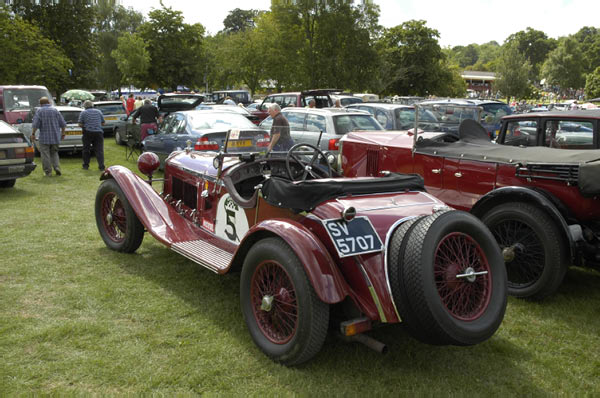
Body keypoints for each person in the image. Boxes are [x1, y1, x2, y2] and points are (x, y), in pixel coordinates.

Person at [31, 97, 66, 177]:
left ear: (40, 104)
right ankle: (57, 167)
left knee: (45, 155)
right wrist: (63, 133)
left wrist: (33, 133)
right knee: (54, 153)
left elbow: (35, 124)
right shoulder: (55, 110)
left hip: (44, 137)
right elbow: (63, 123)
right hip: (55, 136)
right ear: (49, 102)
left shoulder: (39, 111)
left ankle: (48, 172)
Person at [78, 100, 106, 170]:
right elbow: (103, 123)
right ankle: (101, 166)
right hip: (98, 133)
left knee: (86, 149)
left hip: (88, 132)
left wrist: (86, 125)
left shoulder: (83, 113)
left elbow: (80, 124)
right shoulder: (98, 112)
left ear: (85, 106)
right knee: (99, 150)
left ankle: (86, 165)